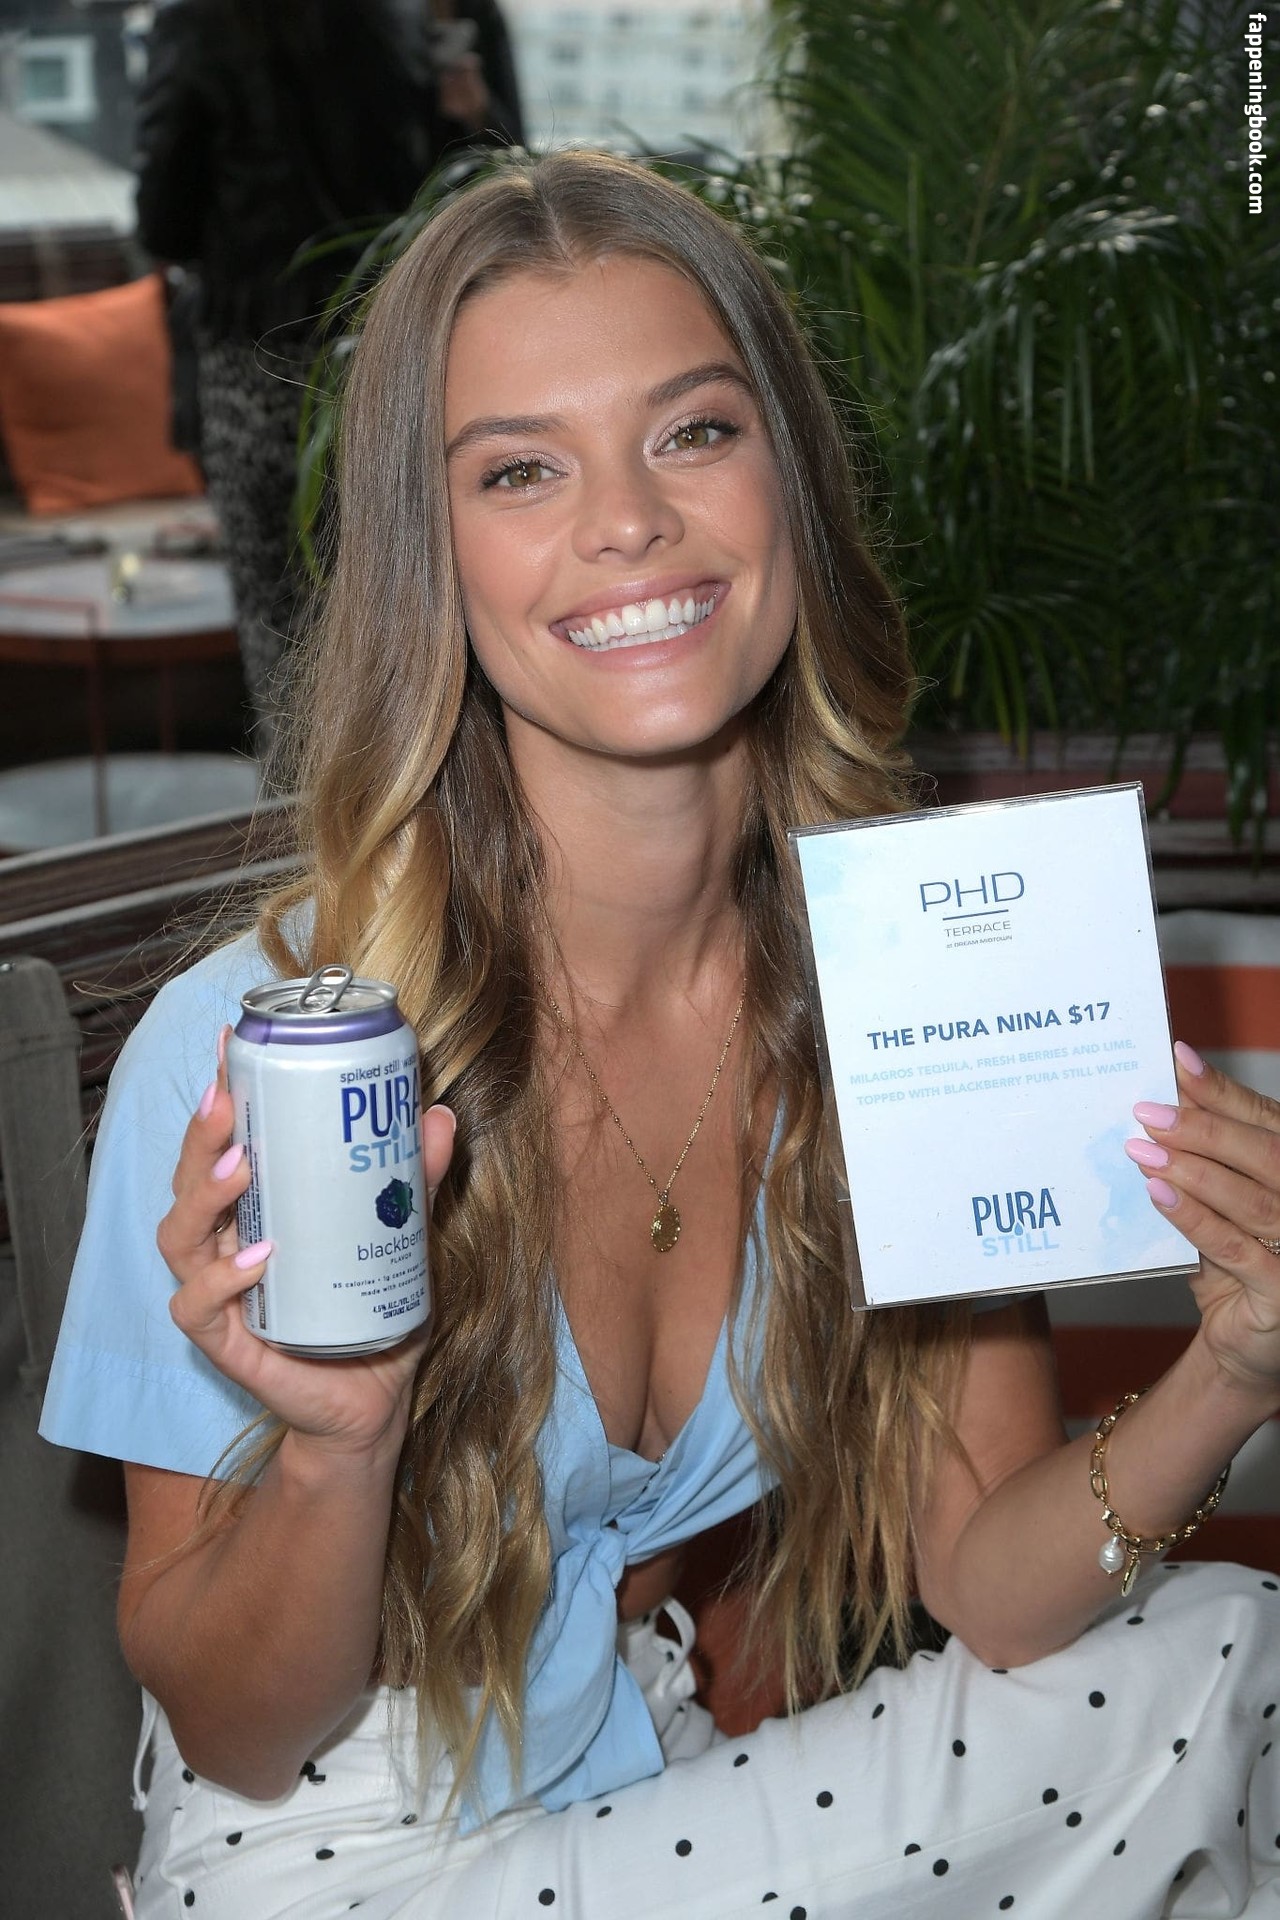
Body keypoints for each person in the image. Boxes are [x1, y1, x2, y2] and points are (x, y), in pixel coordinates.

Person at [40, 150, 1280, 1919]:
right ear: (432, 560)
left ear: (791, 484)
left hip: (648, 1784)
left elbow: (991, 1586)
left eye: (693, 432)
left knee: (1211, 1651)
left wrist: (1233, 1371)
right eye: (522, 469)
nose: (626, 520)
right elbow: (236, 1735)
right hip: (337, 1861)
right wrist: (339, 1447)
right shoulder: (265, 1051)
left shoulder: (913, 992)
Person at [133, 0, 525, 756]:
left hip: (256, 362)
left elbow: (163, 222)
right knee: (408, 617)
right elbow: (492, 188)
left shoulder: (202, 21)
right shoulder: (418, 16)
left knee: (277, 635)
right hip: (392, 353)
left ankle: (309, 818)